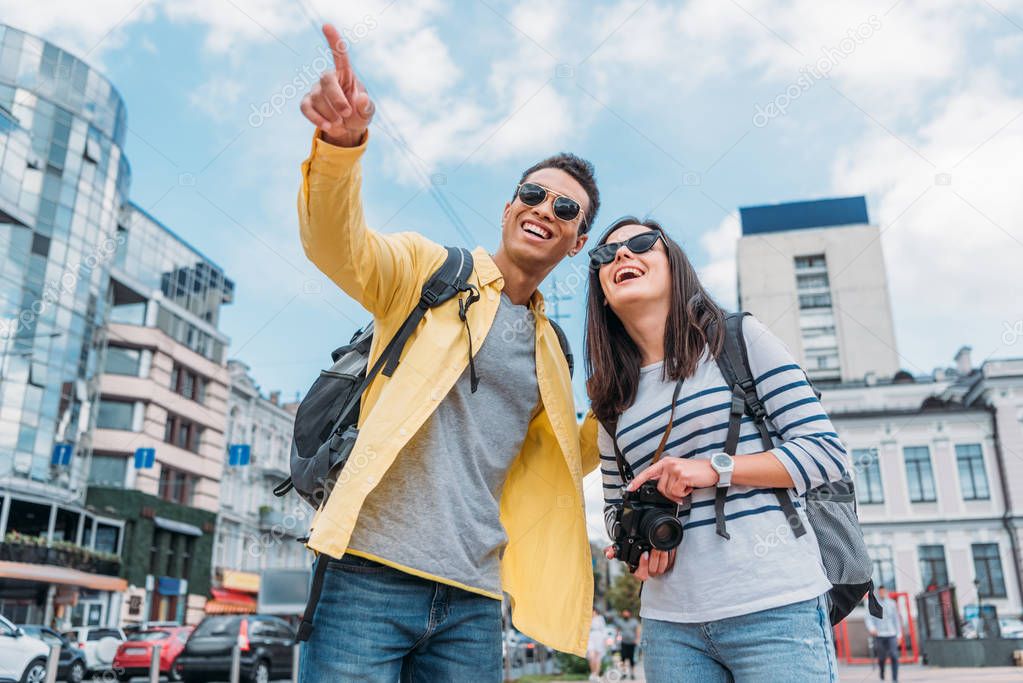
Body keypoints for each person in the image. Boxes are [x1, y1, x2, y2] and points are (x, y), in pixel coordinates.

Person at [296, 23, 602, 681]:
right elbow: (336, 245)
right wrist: (341, 147)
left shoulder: (553, 350)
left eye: (565, 206)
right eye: (531, 192)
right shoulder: (427, 270)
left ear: (577, 240)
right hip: (367, 570)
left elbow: (557, 464)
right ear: (507, 206)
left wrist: (618, 403)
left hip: (472, 597)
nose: (543, 207)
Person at [584, 217, 847, 682]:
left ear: (674, 265)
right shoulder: (610, 400)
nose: (621, 255)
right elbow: (612, 510)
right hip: (670, 628)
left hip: (775, 607)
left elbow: (826, 454)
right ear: (602, 292)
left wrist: (713, 468)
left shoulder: (738, 340)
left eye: (642, 244)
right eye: (606, 254)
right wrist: (636, 540)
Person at [864, 586, 903, 681]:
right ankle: (882, 673)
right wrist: (872, 628)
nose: (881, 593)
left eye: (883, 592)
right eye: (880, 592)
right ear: (878, 593)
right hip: (879, 635)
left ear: (886, 592)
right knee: (881, 658)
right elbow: (868, 619)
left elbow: (896, 620)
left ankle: (895, 679)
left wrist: (899, 635)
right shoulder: (873, 604)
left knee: (894, 656)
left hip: (892, 634)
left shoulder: (892, 604)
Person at [616, 608, 641, 679]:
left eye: (626, 613)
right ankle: (624, 673)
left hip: (632, 643)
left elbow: (637, 630)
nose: (625, 614)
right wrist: (616, 638)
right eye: (624, 613)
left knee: (632, 659)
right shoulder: (620, 621)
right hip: (624, 642)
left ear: (629, 614)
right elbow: (617, 630)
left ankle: (632, 674)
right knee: (623, 658)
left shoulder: (634, 621)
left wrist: (637, 639)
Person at [587, 608, 608, 681]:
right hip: (590, 637)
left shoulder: (600, 618)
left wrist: (605, 640)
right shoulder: (587, 618)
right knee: (591, 656)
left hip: (599, 637)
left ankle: (596, 675)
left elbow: (604, 629)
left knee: (598, 658)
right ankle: (593, 673)